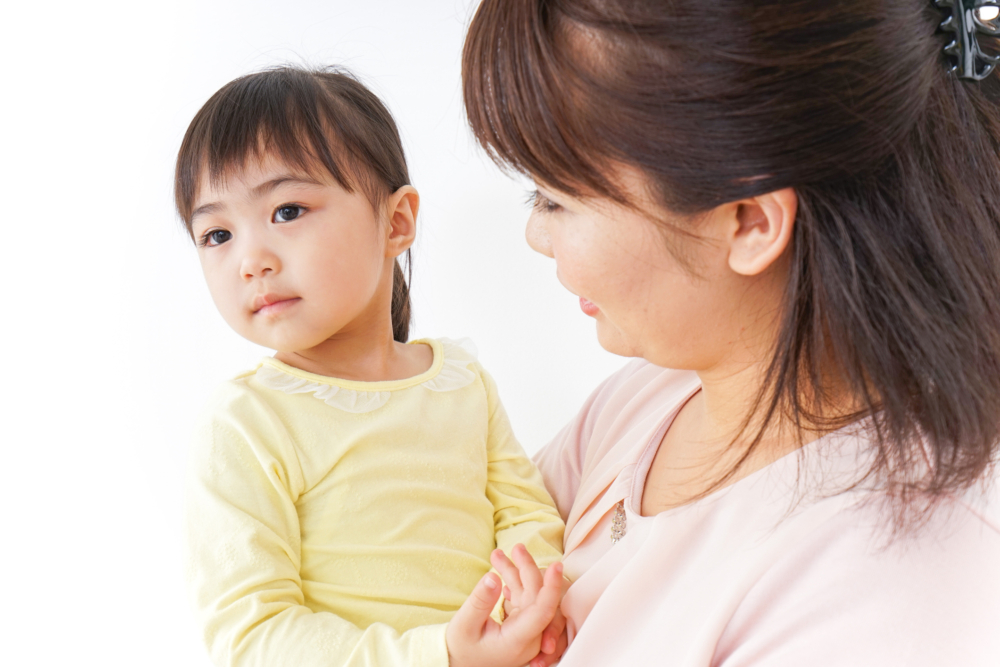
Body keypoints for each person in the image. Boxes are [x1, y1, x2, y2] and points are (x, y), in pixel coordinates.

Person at [462, 0, 1000, 664]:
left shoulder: (893, 586)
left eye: (554, 200)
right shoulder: (654, 393)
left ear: (748, 221)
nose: (536, 237)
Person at [177, 66, 568, 667]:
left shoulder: (461, 383)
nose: (250, 260)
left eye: (286, 211)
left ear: (396, 222)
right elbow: (254, 637)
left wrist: (530, 608)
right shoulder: (246, 423)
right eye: (217, 234)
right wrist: (443, 652)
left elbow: (527, 515)